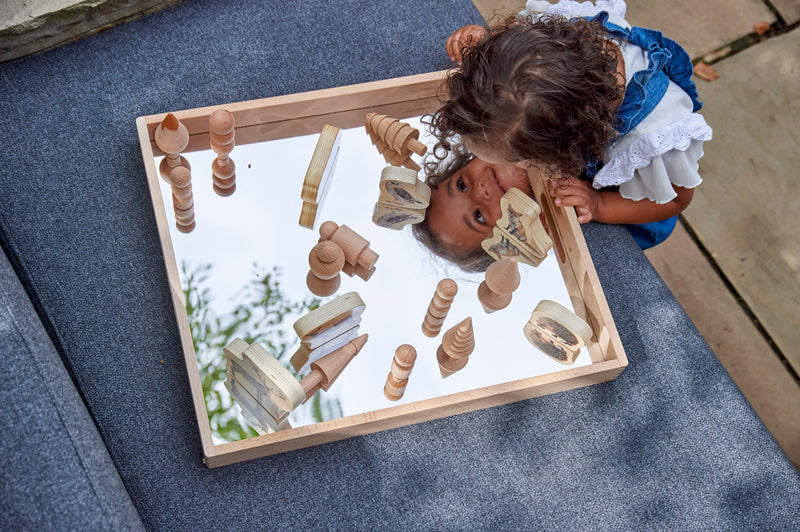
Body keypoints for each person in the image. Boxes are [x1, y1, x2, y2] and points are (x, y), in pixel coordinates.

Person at [415, 0, 712, 270]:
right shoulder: (542, 48)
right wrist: (486, 44)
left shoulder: (654, 137)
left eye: (464, 187)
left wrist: (599, 205)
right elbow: (510, 38)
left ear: (556, 152)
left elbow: (674, 201)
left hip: (635, 199)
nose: (481, 190)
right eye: (462, 186)